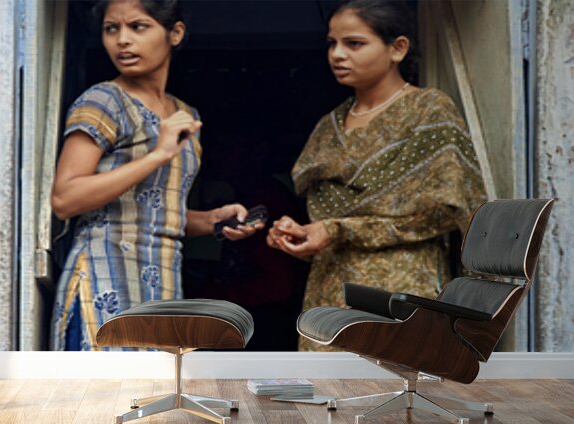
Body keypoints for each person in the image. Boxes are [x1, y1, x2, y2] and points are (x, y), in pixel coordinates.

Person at [266, 0, 487, 351]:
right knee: (324, 384)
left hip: (401, 287)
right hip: (329, 291)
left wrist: (337, 230)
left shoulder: (427, 111)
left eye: (354, 43)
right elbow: (326, 222)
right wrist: (302, 236)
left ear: (397, 48)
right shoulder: (328, 127)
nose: (337, 54)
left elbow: (444, 211)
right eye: (332, 43)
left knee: (395, 381)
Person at [50, 0, 260, 351]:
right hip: (104, 280)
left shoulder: (185, 116)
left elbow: (155, 211)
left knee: (156, 385)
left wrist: (213, 220)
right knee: (106, 384)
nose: (122, 40)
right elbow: (65, 198)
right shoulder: (104, 101)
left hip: (161, 288)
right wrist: (157, 155)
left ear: (175, 33)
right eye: (111, 29)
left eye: (138, 26)